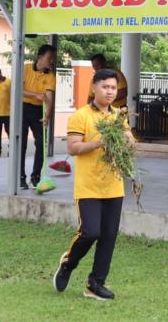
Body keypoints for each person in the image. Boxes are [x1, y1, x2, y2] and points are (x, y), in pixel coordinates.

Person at [52, 68, 135, 301]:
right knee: (90, 232)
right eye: (105, 87)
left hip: (114, 186)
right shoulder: (80, 116)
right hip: (88, 186)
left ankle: (95, 284)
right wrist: (99, 142)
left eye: (113, 88)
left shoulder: (119, 116)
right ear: (94, 88)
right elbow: (73, 148)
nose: (109, 92)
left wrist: (128, 142)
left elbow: (129, 142)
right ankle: (68, 263)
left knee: (108, 236)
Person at [21, 44, 57, 190]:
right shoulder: (25, 68)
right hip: (23, 108)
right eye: (50, 58)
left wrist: (47, 116)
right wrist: (35, 94)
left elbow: (49, 97)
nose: (52, 61)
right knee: (20, 145)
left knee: (41, 144)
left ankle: (36, 177)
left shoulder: (50, 75)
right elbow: (19, 90)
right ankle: (20, 178)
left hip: (39, 111)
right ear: (40, 57)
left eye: (53, 58)